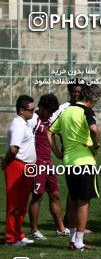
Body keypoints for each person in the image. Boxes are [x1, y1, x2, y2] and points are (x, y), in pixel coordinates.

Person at [48, 83, 101, 251]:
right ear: (92, 99)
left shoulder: (67, 111)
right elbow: (94, 130)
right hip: (84, 161)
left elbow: (49, 132)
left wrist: (57, 152)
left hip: (69, 162)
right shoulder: (86, 111)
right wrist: (96, 145)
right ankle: (79, 241)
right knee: (83, 202)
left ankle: (72, 239)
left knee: (72, 201)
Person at [28, 93, 69, 240]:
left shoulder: (50, 119)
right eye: (49, 111)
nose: (51, 114)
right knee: (38, 196)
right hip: (36, 163)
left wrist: (59, 153)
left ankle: (61, 228)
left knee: (55, 195)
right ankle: (34, 230)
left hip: (48, 163)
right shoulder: (33, 120)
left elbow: (57, 135)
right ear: (41, 107)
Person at [2, 95, 36, 246]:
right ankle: (11, 238)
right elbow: (13, 148)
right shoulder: (18, 124)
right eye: (31, 110)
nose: (33, 112)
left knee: (22, 203)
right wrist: (5, 162)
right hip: (17, 165)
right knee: (14, 203)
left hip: (26, 166)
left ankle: (18, 234)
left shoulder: (25, 122)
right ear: (22, 110)